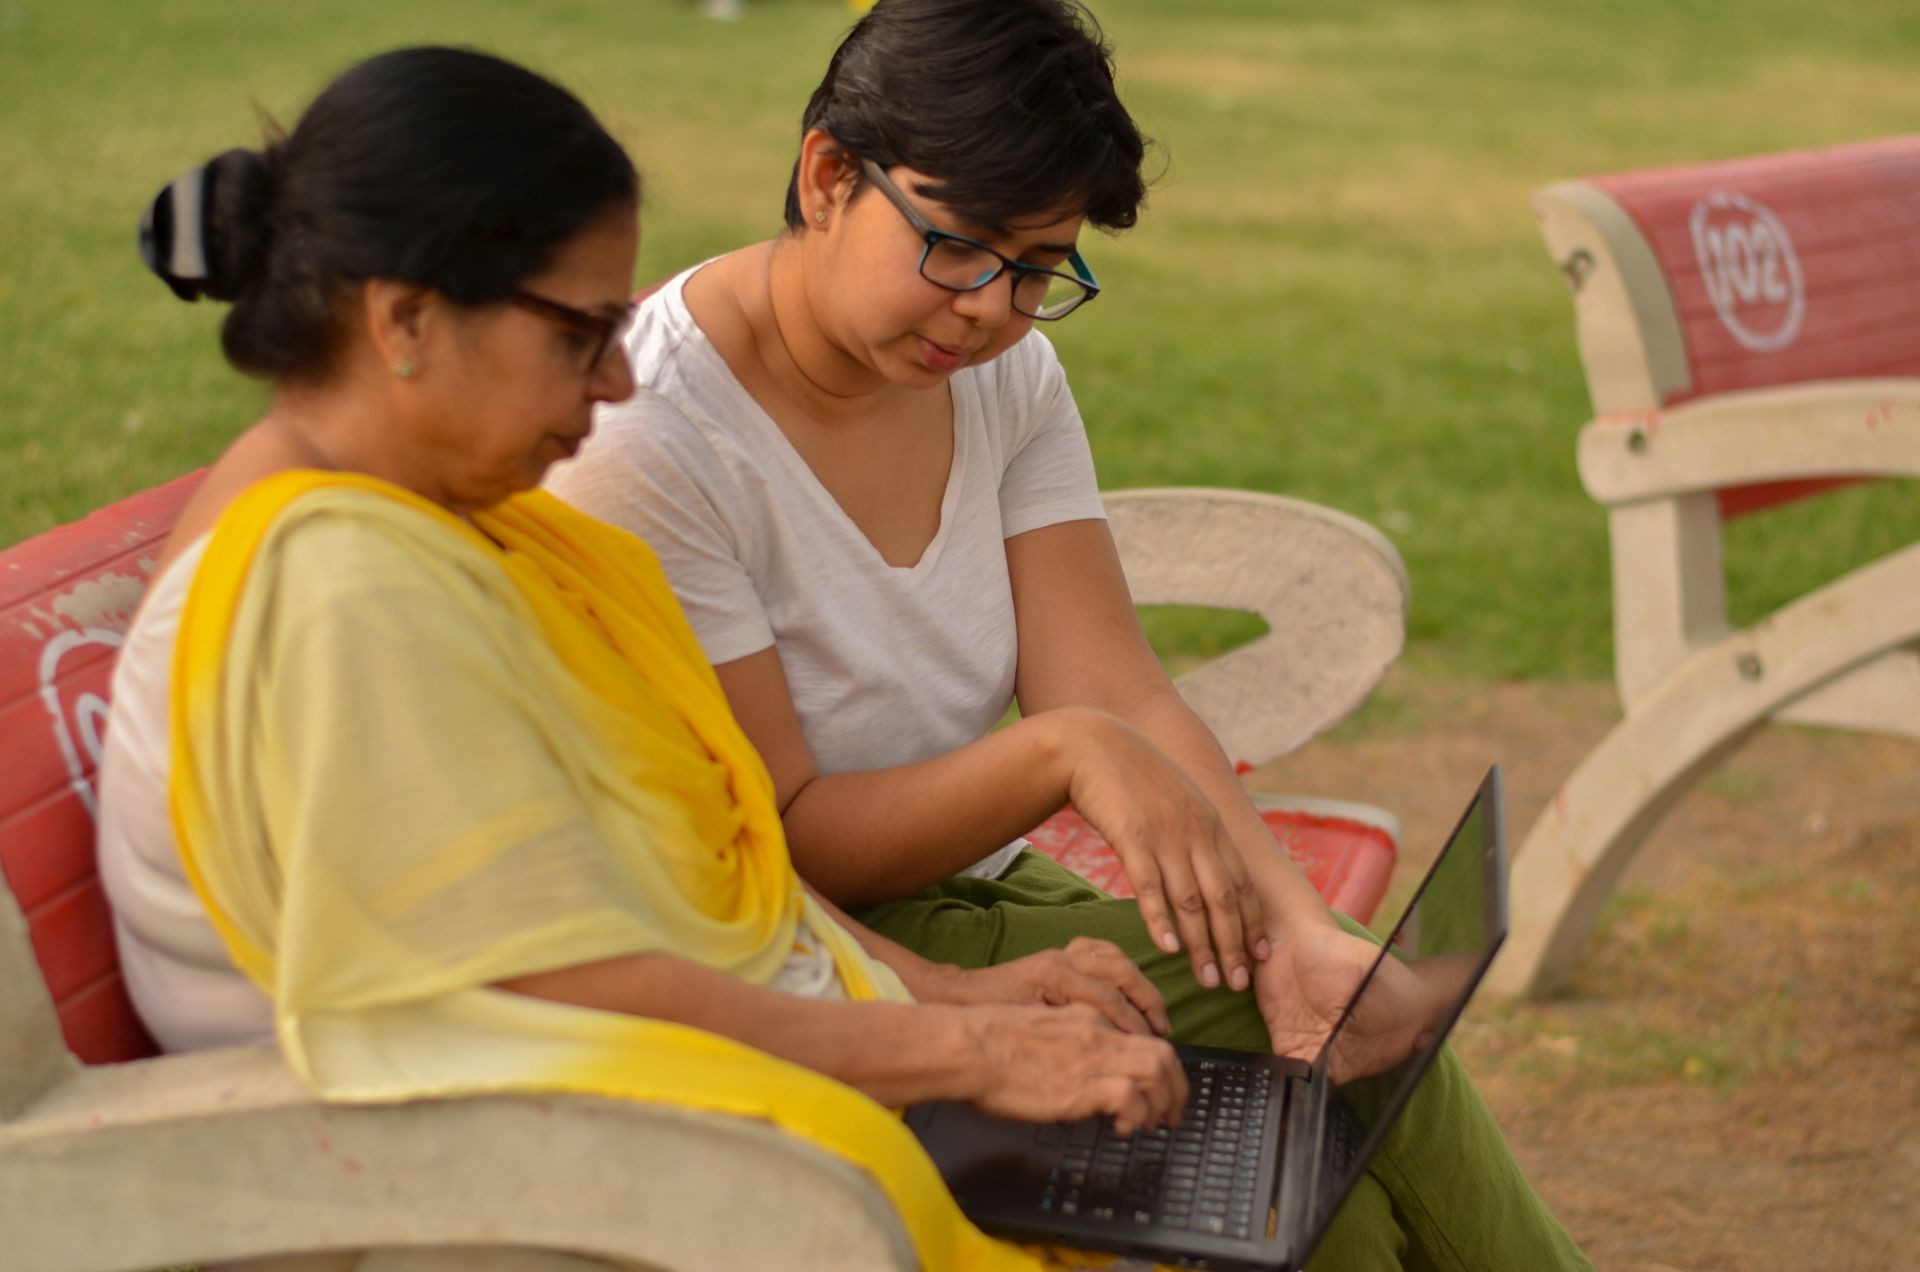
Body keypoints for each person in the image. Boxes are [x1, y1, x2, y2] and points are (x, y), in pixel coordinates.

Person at [96, 45, 1223, 1271]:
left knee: (1230, 1174)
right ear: (407, 320)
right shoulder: (335, 585)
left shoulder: (424, 525)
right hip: (507, 1172)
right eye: (582, 333)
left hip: (635, 1091)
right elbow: (552, 987)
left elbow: (673, 880)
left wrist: (950, 995)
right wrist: (968, 1050)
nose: (623, 375)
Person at [545, 1, 1592, 1267]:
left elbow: (1111, 681)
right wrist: (1061, 757)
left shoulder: (1002, 374)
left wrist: (1293, 917)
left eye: (1040, 268)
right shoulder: (655, 438)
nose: (992, 307)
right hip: (811, 940)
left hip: (985, 893)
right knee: (1326, 1158)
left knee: (1343, 1097)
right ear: (829, 175)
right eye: (959, 247)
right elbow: (793, 832)